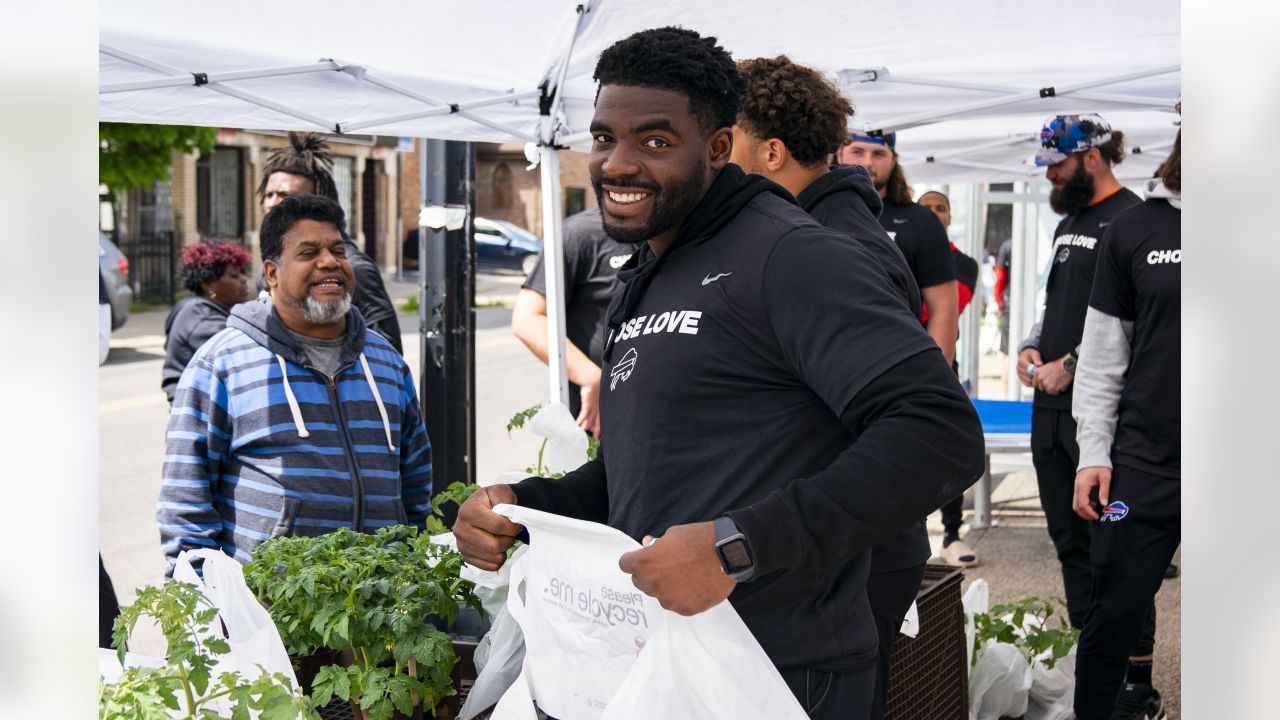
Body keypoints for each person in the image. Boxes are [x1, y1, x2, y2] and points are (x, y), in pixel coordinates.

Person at [453, 28, 985, 719]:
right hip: (664, 665)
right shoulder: (648, 266)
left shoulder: (792, 257)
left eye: (654, 141)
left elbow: (939, 437)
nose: (617, 163)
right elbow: (642, 471)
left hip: (783, 673)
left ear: (718, 148)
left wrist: (739, 547)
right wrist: (526, 507)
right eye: (604, 137)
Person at [730, 55, 931, 720]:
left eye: (725, 143)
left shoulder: (829, 248)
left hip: (857, 556)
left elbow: (910, 425)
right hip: (846, 548)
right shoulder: (829, 233)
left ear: (773, 152)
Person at [156, 195, 433, 573]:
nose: (329, 262)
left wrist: (410, 568)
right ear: (271, 273)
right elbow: (185, 502)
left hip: (378, 611)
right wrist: (206, 606)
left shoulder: (386, 362)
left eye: (338, 250)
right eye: (308, 252)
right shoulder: (221, 363)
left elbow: (415, 482)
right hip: (266, 617)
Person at [1015, 113, 1150, 666]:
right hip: (1049, 409)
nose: (1049, 177)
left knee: (1115, 549)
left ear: (1092, 157)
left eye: (1058, 165)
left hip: (1104, 417)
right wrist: (1032, 344)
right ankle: (1085, 659)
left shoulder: (1137, 220)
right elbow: (1057, 300)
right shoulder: (1067, 221)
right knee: (1068, 543)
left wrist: (1070, 363)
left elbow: (1143, 321)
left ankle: (1133, 676)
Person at [1069, 121, 1180, 720]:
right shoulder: (1139, 228)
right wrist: (1093, 454)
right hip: (1145, 464)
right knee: (1112, 613)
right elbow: (1104, 356)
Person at [838, 135, 976, 572]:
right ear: (838, 153)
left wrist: (931, 382)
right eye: (857, 151)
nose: (867, 162)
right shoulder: (808, 210)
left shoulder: (918, 221)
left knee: (899, 492)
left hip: (898, 374)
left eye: (878, 154)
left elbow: (944, 309)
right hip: (831, 376)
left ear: (894, 161)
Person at [258, 132, 404, 354]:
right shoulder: (274, 263)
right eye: (269, 195)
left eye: (285, 197)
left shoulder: (353, 269)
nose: (272, 204)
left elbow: (387, 352)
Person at [511, 208, 632, 436]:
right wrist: (590, 376)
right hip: (595, 419)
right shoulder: (578, 233)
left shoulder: (678, 230)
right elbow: (527, 318)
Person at [160, 240, 251, 402]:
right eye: (235, 275)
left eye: (242, 273)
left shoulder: (204, 309)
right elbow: (243, 352)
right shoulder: (201, 318)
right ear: (209, 284)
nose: (243, 280)